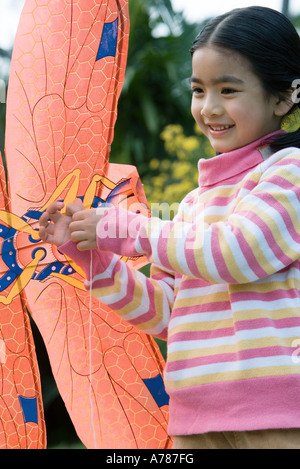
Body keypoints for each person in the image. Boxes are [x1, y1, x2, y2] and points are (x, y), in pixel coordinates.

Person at [39, 7, 300, 449]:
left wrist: (129, 230)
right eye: (199, 90)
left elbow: (235, 253)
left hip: (276, 415)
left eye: (228, 90)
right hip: (194, 419)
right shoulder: (194, 204)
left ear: (281, 98)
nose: (209, 108)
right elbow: (168, 313)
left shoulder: (288, 172)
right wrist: (90, 255)